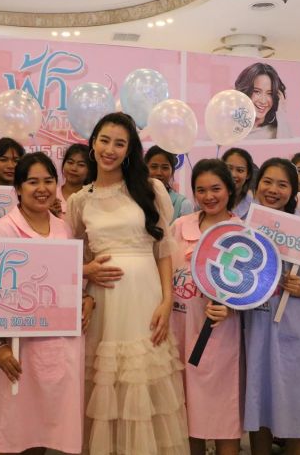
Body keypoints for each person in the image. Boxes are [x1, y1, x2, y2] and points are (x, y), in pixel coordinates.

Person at [66, 112, 189, 454]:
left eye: (119, 143)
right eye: (104, 140)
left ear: (129, 150)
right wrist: (87, 271)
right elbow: (73, 255)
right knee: (105, 382)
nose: (110, 149)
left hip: (146, 299)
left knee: (143, 380)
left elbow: (163, 250)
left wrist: (167, 300)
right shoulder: (79, 200)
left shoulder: (150, 189)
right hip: (103, 303)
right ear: (93, 143)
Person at [0, 152, 92, 454]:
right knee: (15, 432)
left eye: (48, 181)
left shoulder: (64, 228)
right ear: (17, 188)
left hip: (61, 343)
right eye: (32, 182)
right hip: (16, 348)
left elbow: (72, 282)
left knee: (46, 431)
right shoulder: (1, 230)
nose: (42, 189)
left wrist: (87, 300)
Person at [243, 158, 300, 455]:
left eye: (282, 184)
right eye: (267, 182)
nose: (273, 190)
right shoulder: (243, 225)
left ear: (293, 191)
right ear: (256, 185)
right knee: (258, 402)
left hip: (294, 326)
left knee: (296, 404)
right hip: (255, 324)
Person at [170, 159, 242, 455]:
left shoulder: (242, 232)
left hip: (221, 334)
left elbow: (254, 287)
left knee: (224, 412)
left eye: (216, 189)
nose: (208, 196)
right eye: (201, 190)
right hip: (179, 327)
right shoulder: (180, 226)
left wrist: (233, 308)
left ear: (230, 189)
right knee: (185, 410)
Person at [234, 62, 292, 139]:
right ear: (244, 92)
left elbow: (288, 145)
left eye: (270, 93)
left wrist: (281, 113)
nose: (263, 101)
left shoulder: (279, 132)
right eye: (257, 91)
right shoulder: (230, 129)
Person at [145, 145, 193, 221]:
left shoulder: (183, 204)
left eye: (165, 168)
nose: (159, 173)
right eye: (154, 167)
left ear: (172, 172)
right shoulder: (135, 200)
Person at [52, 143, 91, 218]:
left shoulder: (92, 198)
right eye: (70, 162)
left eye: (81, 165)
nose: (74, 168)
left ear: (90, 170)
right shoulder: (51, 194)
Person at [222, 147, 257, 220]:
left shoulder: (254, 207)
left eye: (240, 170)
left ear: (248, 175)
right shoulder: (210, 199)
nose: (233, 174)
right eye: (229, 168)